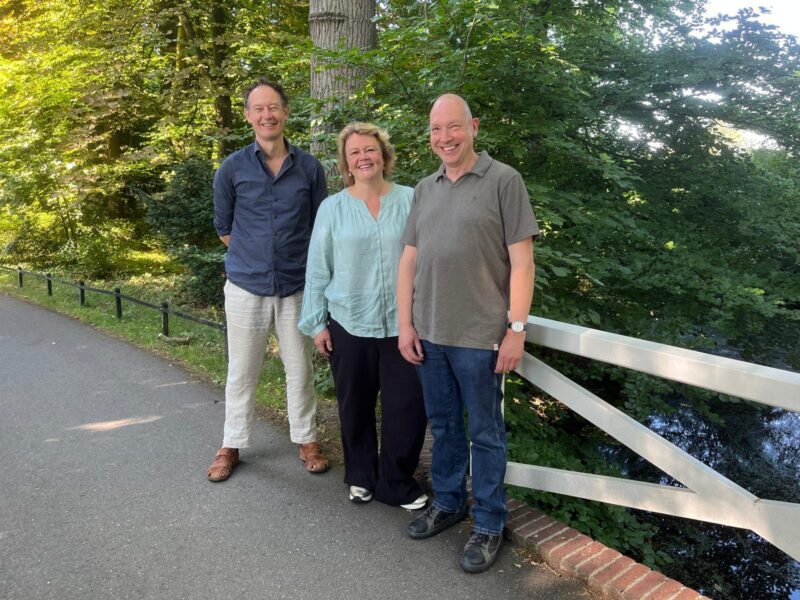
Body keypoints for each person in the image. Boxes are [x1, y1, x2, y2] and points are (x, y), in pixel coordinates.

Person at [397, 94, 539, 573]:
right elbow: (409, 261)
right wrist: (405, 324)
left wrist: (517, 329)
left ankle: (489, 523)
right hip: (430, 334)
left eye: (453, 127)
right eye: (436, 130)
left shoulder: (504, 181)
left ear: (473, 127)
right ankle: (450, 502)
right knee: (444, 428)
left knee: (486, 434)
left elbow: (522, 262)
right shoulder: (425, 187)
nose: (445, 139)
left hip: (482, 338)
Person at [299, 122, 428, 509]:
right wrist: (316, 321)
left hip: (403, 325)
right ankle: (361, 475)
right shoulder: (332, 208)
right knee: (353, 405)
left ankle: (396, 481)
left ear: (383, 156)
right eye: (355, 153)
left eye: (370, 149)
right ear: (346, 164)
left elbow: (428, 258)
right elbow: (318, 267)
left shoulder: (411, 200)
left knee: (407, 407)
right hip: (349, 322)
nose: (363, 157)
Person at [208, 77, 330, 482]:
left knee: (300, 368)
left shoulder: (309, 168)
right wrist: (256, 255)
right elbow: (224, 228)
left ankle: (306, 438)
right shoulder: (231, 169)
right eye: (258, 109)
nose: (267, 114)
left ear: (286, 113)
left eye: (273, 107)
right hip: (246, 286)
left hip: (296, 286)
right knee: (241, 371)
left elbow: (318, 227)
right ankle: (232, 443)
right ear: (248, 116)